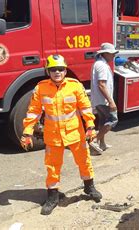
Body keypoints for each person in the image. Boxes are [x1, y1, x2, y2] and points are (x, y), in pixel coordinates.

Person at [20, 54, 102, 215]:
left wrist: (91, 126)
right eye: (53, 69)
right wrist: (27, 132)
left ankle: (89, 187)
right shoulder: (41, 88)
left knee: (84, 161)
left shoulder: (75, 86)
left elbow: (85, 108)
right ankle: (52, 197)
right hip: (53, 135)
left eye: (60, 69)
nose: (57, 72)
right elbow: (33, 112)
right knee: (52, 167)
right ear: (48, 71)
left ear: (65, 71)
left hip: (75, 133)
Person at [89, 43, 119, 154]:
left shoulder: (99, 63)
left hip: (99, 99)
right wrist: (111, 101)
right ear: (105, 53)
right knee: (112, 120)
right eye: (112, 54)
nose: (114, 56)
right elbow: (101, 84)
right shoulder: (101, 65)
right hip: (103, 100)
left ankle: (102, 144)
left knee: (103, 120)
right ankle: (94, 141)